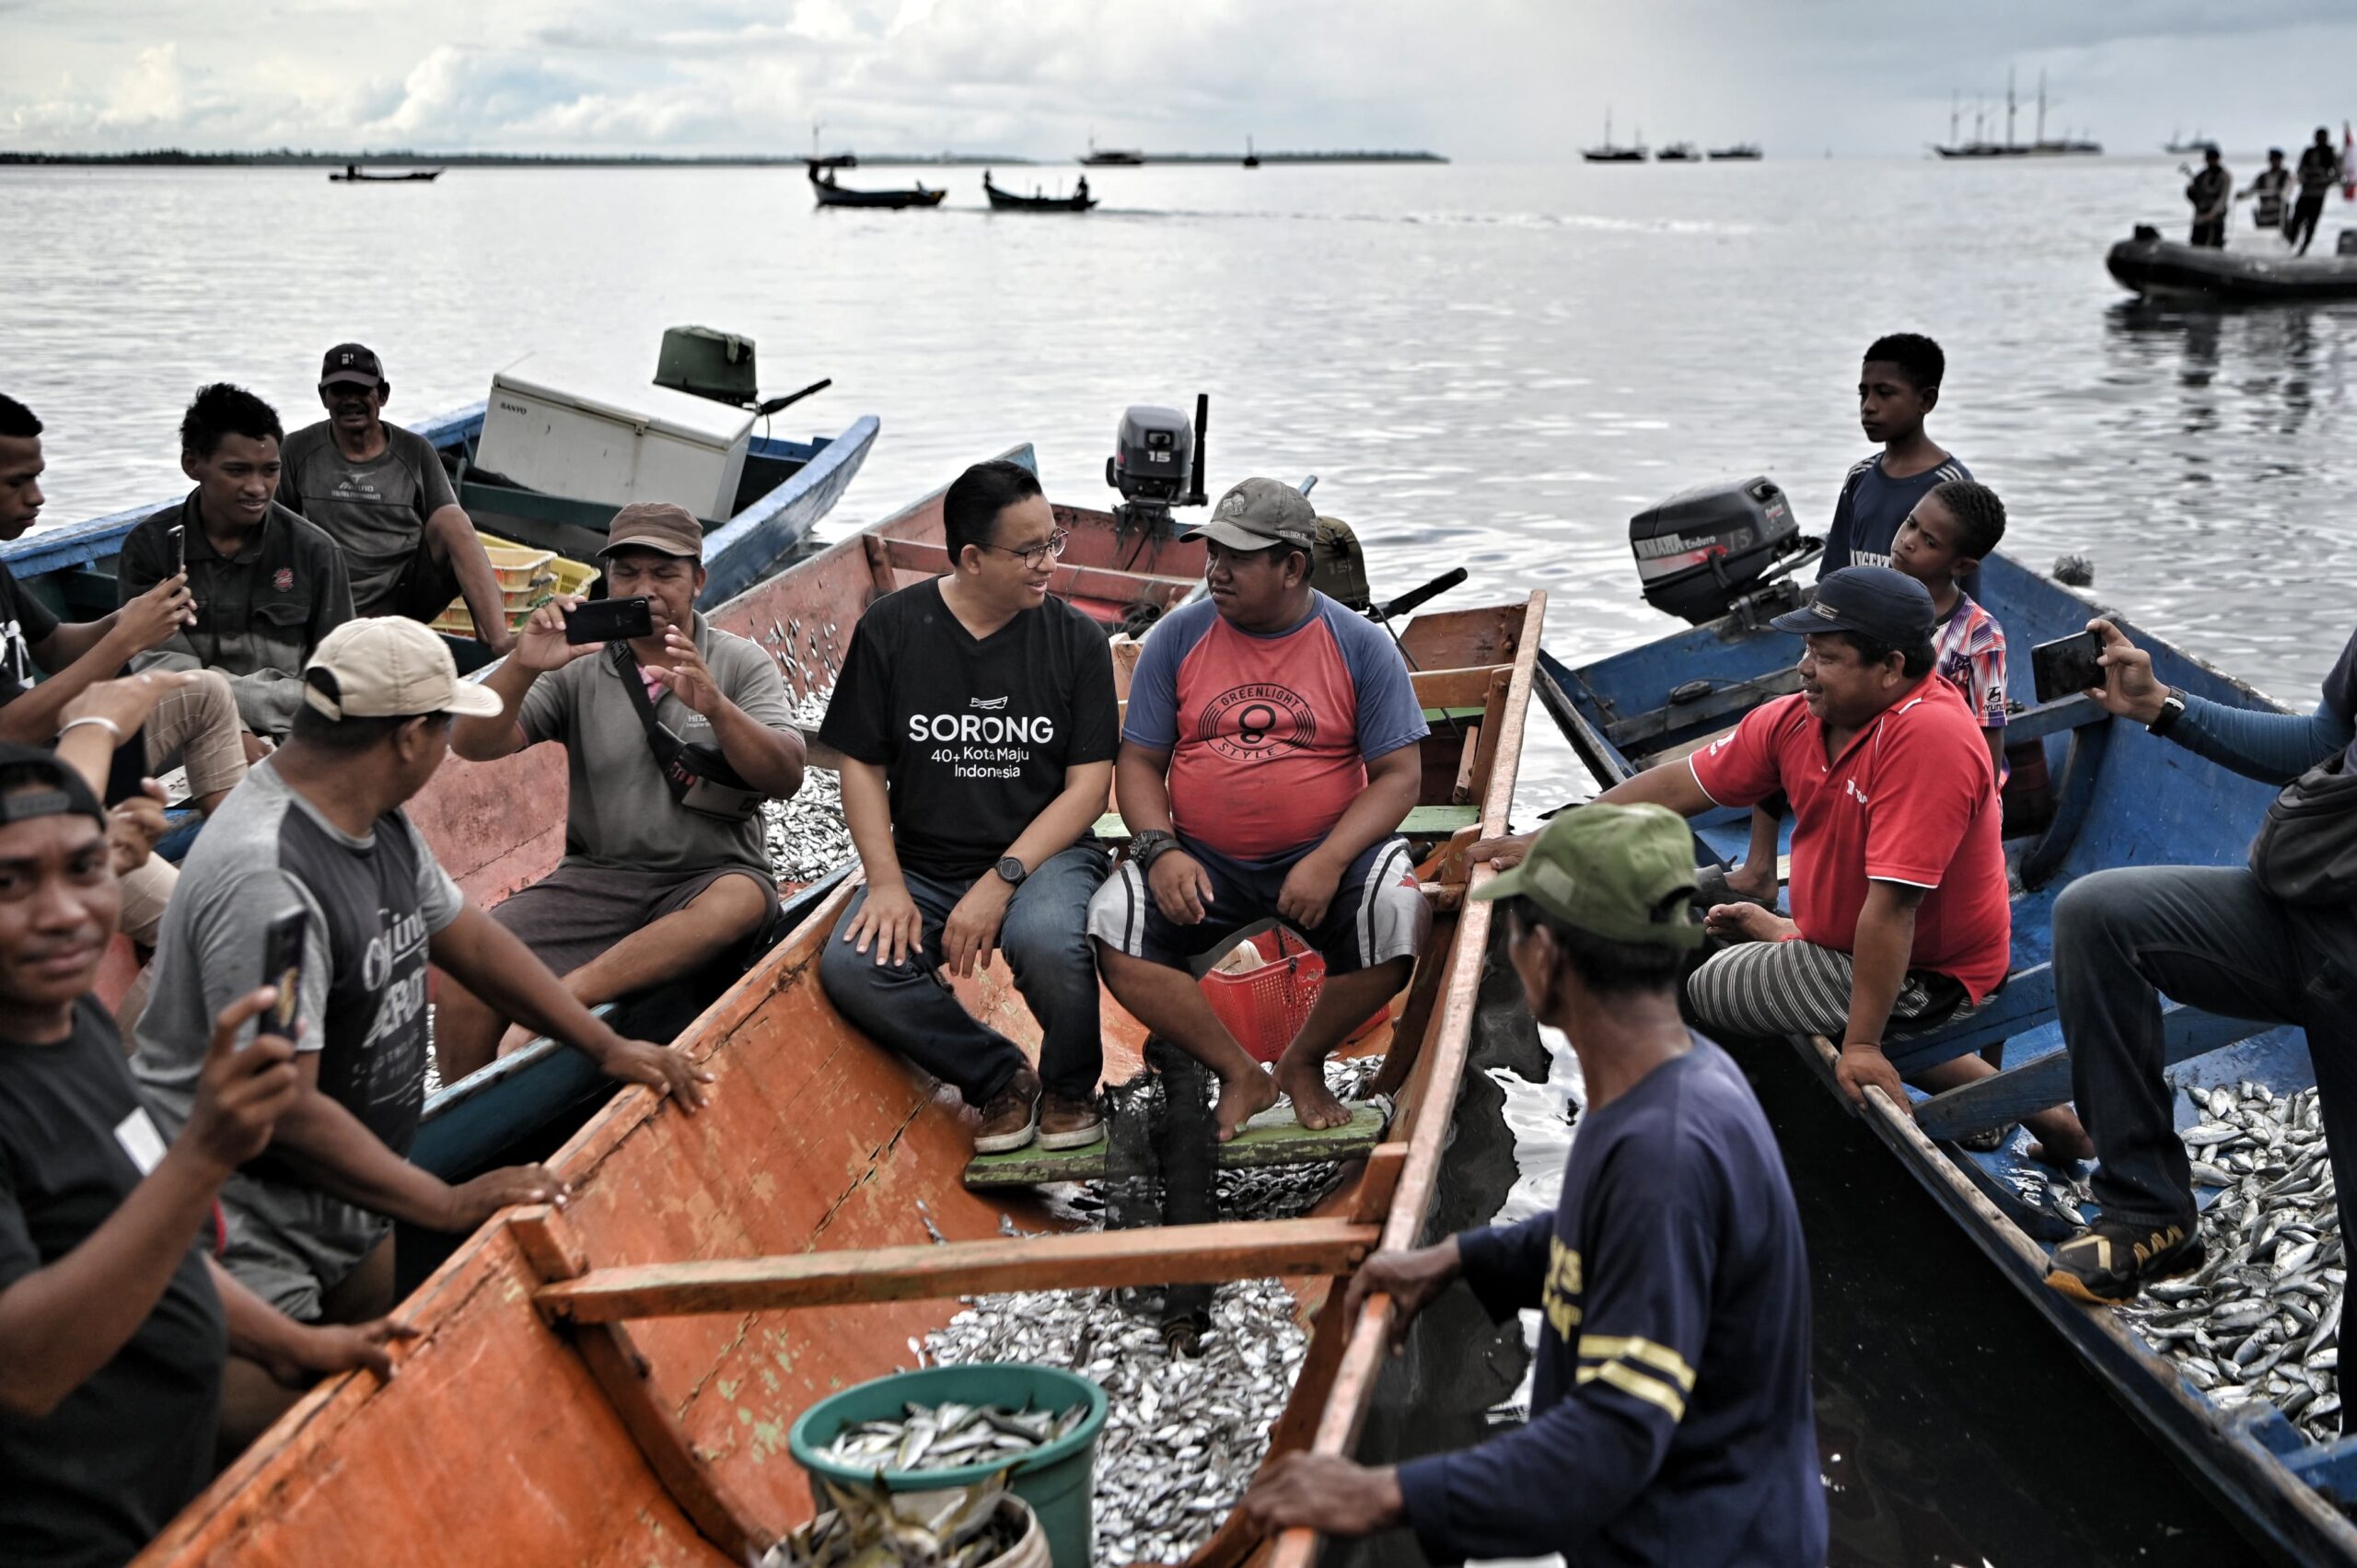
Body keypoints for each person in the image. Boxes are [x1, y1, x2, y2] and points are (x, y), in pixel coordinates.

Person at [129, 619, 708, 1406]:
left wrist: (604, 1046)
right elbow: (285, 1108)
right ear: (408, 738)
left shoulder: (373, 814)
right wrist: (447, 1200)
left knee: (385, 1388)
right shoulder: (269, 877)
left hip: (354, 1195)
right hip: (243, 1230)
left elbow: (467, 936)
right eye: (443, 727)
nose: (445, 748)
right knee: (290, 1447)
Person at [1240, 805, 1826, 1565]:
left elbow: (1608, 1444)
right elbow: (1610, 1242)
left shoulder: (1662, 1152)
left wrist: (1380, 1493)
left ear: (1545, 958)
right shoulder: (1677, 1079)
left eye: (1516, 931)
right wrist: (1462, 1260)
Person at [1475, 567, 2092, 1162]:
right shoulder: (1804, 716)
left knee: (1711, 985)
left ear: (1891, 668)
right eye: (1806, 649)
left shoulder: (1929, 737)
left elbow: (1894, 905)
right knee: (1686, 929)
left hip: (1932, 973)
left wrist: (1863, 1045)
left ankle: (1736, 1122)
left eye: (1826, 657)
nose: (1804, 669)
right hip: (1849, 941)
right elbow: (1677, 788)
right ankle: (2049, 1114)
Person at [0, 744, 413, 1568]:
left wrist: (290, 1345)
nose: (63, 912)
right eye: (10, 883)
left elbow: (148, 1235)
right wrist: (202, 1155)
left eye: (86, 869)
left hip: (166, 1491)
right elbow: (25, 1368)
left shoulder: (74, 1024)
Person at [1086, 477, 1430, 1141]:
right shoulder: (1175, 639)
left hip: (1327, 851)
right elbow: (1137, 764)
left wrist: (1329, 860)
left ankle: (1303, 1058)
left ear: (1293, 566)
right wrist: (1160, 850)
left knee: (1399, 916)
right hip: (1206, 862)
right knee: (1110, 925)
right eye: (1212, 553)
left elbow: (1399, 777)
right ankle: (1242, 1070)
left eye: (1237, 558)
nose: (1215, 571)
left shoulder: (1360, 644)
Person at [2042, 616, 2357, 1303]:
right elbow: (2324, 742)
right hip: (2298, 916)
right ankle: (2148, 1208)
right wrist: (2160, 705)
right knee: (2098, 916)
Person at [816, 461, 1118, 1155]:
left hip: (1047, 860)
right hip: (925, 862)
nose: (1049, 564)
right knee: (855, 966)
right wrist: (886, 882)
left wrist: (1002, 878)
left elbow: (1087, 789)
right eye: (1030, 550)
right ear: (972, 558)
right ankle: (1001, 1077)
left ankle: (1073, 1088)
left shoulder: (1076, 641)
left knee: (1047, 940)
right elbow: (860, 763)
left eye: (1054, 542)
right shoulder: (894, 628)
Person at [439, 503, 804, 1078]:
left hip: (708, 877)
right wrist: (523, 666)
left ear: (698, 581)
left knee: (742, 902)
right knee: (470, 969)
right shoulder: (577, 665)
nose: (645, 589)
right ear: (606, 579)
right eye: (628, 573)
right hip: (597, 880)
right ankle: (469, 1130)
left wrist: (717, 708)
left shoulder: (737, 661)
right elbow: (473, 743)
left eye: (665, 574)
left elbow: (786, 774)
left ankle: (568, 996)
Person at [1729, 479, 2014, 902]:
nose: (1908, 542)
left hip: (1930, 770)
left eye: (1929, 541)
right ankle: (1759, 869)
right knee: (1785, 731)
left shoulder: (1979, 636)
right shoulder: (1867, 596)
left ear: (1962, 566)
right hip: (1862, 742)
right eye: (1910, 524)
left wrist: (1980, 814)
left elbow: (1986, 742)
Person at [117, 384, 354, 749]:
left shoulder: (316, 552)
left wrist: (217, 696)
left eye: (270, 470)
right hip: (183, 735)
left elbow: (338, 683)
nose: (258, 488)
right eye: (238, 471)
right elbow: (159, 671)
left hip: (291, 736)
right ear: (192, 463)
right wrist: (236, 731)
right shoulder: (149, 547)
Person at [276, 343, 516, 656]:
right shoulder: (297, 450)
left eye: (361, 390)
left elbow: (454, 536)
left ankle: (498, 641)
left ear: (383, 395)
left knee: (452, 520)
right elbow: (274, 529)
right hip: (328, 601)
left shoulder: (415, 452)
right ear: (324, 398)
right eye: (339, 390)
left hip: (403, 598)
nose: (350, 400)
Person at [1817, 333, 1972, 578]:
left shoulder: (1949, 486)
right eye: (1863, 393)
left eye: (1885, 393)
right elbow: (1833, 576)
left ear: (1926, 401)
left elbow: (1962, 599)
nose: (1868, 406)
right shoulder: (1859, 477)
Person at [2289, 127, 2344, 256]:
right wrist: (2305, 178)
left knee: (2311, 222)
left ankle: (2303, 248)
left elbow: (2337, 175)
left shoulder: (2330, 154)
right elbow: (2300, 170)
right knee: (2296, 220)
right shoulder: (2308, 152)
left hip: (2318, 194)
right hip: (2305, 192)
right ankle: (2290, 244)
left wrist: (2322, 180)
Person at [2186, 145, 2231, 249]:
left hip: (2215, 218)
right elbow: (2192, 197)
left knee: (2215, 244)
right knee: (2196, 243)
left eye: (2213, 159)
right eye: (2209, 159)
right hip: (2200, 216)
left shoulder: (2224, 176)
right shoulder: (2201, 176)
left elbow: (2223, 198)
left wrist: (2212, 214)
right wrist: (2190, 191)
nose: (2211, 161)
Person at [2241, 147, 2292, 234]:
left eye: (2277, 160)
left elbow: (2288, 190)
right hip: (2264, 214)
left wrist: (2280, 193)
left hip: (2280, 214)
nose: (2274, 162)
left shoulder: (2286, 175)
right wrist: (2242, 195)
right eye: (2273, 160)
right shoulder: (2262, 176)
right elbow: (2252, 189)